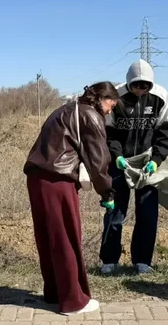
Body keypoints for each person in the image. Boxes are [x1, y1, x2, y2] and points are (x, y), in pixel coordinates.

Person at [23, 82, 118, 315]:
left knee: (48, 238)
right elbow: (99, 161)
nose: (110, 111)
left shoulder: (67, 109)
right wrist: (107, 193)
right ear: (100, 98)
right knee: (66, 237)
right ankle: (73, 301)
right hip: (58, 181)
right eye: (110, 105)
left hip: (37, 178)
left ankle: (55, 292)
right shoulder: (90, 116)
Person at [101, 59, 168, 275]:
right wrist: (117, 156)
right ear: (128, 82)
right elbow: (109, 132)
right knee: (114, 212)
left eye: (145, 86)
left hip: (147, 162)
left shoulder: (161, 97)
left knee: (148, 214)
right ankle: (109, 260)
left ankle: (142, 260)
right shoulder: (117, 97)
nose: (141, 90)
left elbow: (165, 132)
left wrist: (156, 160)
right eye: (136, 85)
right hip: (120, 163)